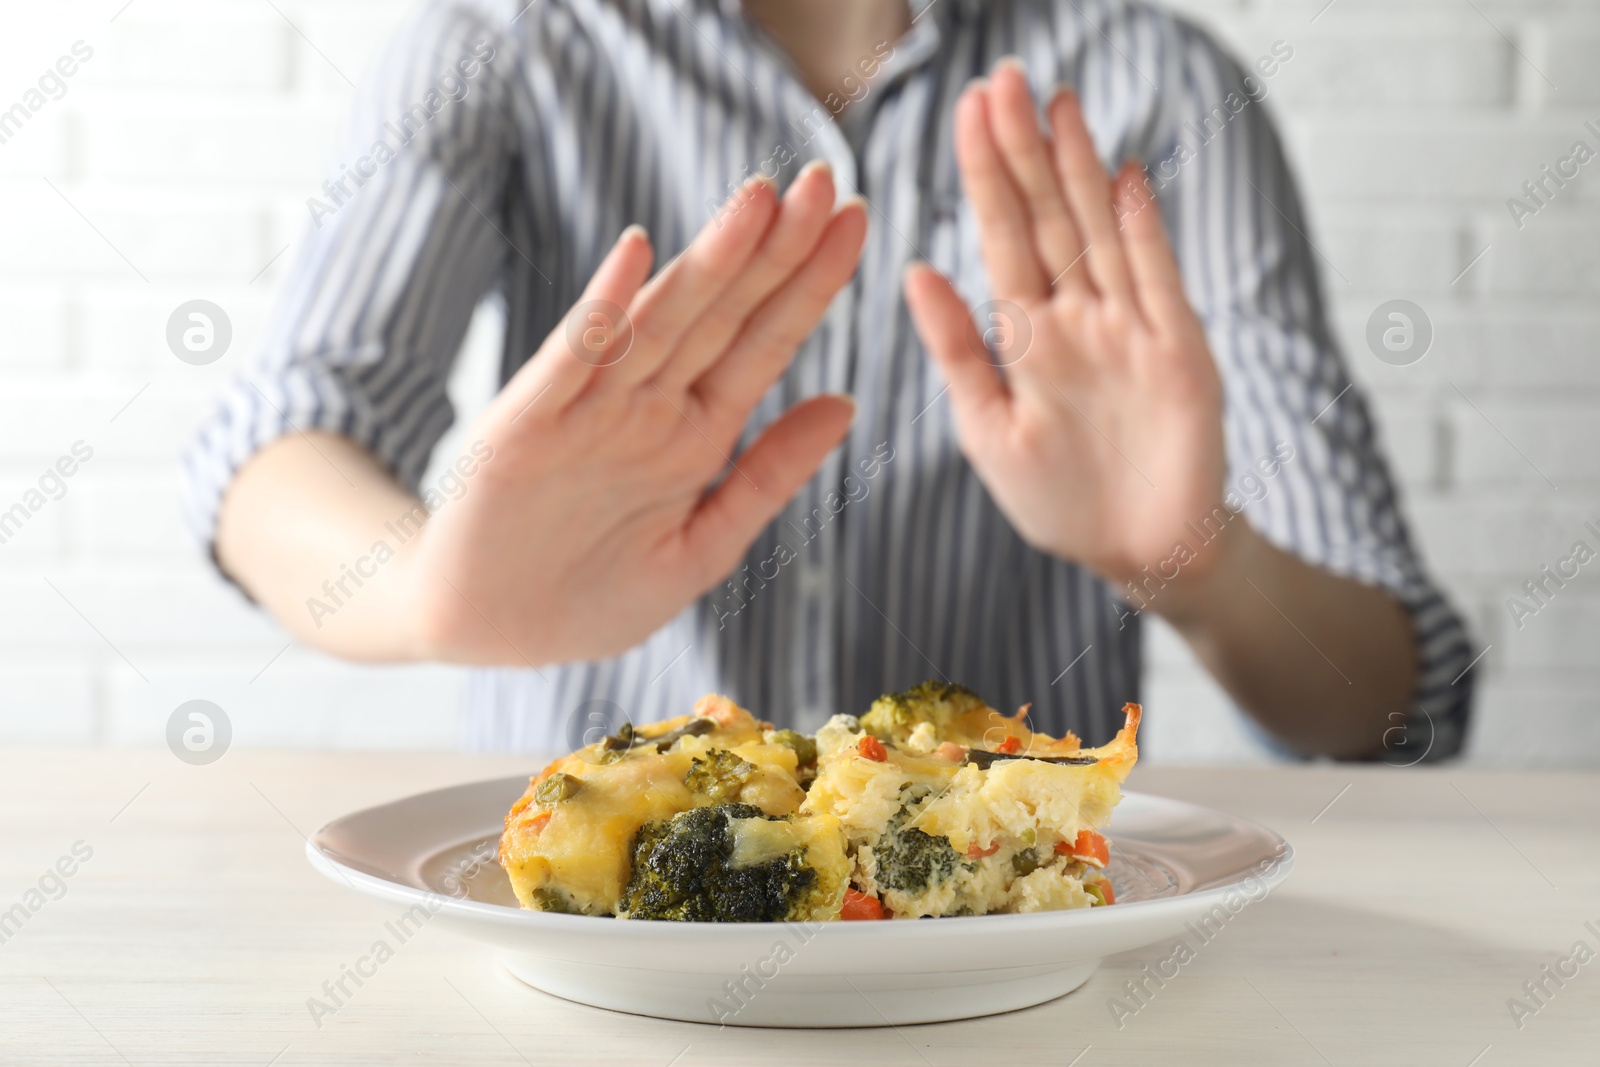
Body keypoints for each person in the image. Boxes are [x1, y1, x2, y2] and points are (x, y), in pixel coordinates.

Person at [184, 0, 1474, 759]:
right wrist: (428, 594)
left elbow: (1395, 710)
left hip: (1018, 983)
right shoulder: (511, 37)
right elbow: (285, 441)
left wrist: (1196, 562)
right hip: (585, 974)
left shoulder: (1160, 85)